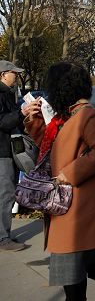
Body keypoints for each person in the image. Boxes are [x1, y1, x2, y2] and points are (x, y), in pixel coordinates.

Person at [24, 62, 95, 300]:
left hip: (80, 201)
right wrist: (34, 119)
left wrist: (69, 173)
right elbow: (50, 148)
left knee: (69, 267)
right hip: (68, 200)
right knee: (82, 263)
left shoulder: (86, 115)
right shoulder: (65, 116)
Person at [0, 60, 30, 251]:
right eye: (14, 73)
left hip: (6, 150)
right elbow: (3, 122)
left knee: (6, 193)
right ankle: (3, 238)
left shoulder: (8, 94)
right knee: (5, 194)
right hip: (2, 151)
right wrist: (21, 112)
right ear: (3, 74)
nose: (16, 76)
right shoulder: (2, 94)